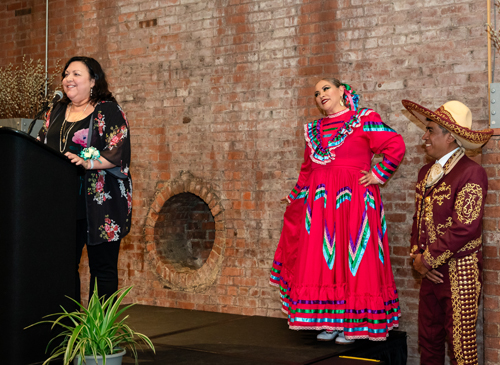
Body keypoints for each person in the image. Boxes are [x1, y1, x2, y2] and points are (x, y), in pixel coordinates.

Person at [270, 78, 405, 344]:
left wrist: (378, 174)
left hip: (354, 202)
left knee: (352, 260)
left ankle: (351, 325)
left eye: (326, 89)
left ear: (342, 91)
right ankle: (330, 321)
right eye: (316, 92)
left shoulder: (364, 118)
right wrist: (295, 197)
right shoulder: (312, 131)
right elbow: (306, 171)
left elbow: (395, 145)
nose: (321, 94)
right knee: (325, 262)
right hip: (320, 206)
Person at [402, 100, 492, 364]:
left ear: (450, 136)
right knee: (428, 341)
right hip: (428, 271)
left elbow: (465, 227)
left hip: (460, 270)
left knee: (461, 347)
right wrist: (418, 258)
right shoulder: (425, 173)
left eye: (430, 130)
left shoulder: (471, 172)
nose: (424, 136)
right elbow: (418, 220)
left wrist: (426, 259)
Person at [37, 56, 132, 303]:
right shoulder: (55, 111)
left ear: (93, 81)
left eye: (76, 74)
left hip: (101, 202)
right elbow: (40, 145)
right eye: (66, 74)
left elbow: (118, 150)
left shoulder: (108, 110)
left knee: (103, 269)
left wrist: (88, 162)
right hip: (62, 203)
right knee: (62, 268)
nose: (68, 79)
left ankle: (99, 336)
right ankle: (66, 333)